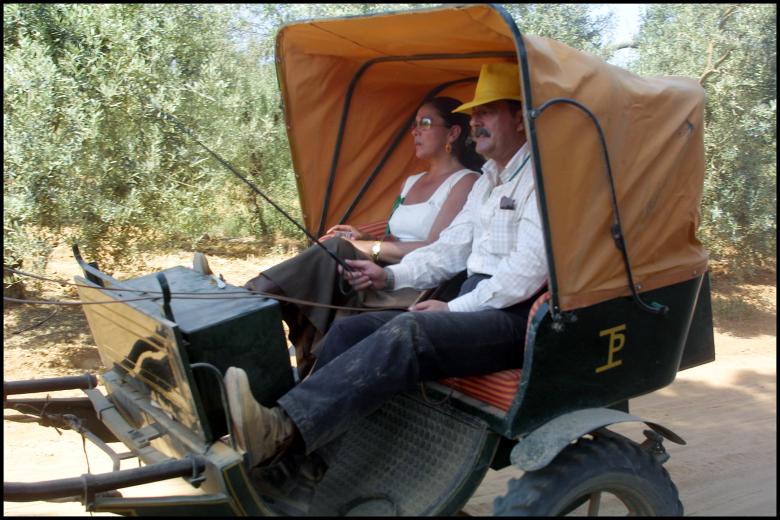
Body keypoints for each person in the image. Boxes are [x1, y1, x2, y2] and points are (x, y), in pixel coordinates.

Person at [224, 62, 548, 469]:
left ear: (519, 118)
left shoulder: (539, 177)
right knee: (347, 330)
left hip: (512, 317)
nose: (475, 123)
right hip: (475, 303)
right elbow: (449, 249)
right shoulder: (487, 181)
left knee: (408, 330)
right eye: (473, 115)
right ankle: (305, 462)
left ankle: (283, 428)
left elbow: (528, 270)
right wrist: (390, 274)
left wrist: (453, 308)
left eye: (487, 112)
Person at [239, 96, 482, 376]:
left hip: (414, 281)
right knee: (333, 258)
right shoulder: (411, 181)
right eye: (413, 125)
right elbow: (394, 238)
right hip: (382, 264)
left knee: (338, 249)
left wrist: (367, 246)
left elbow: (434, 246)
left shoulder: (465, 181)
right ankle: (271, 320)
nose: (415, 131)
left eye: (424, 124)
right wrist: (364, 236)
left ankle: (253, 296)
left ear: (452, 132)